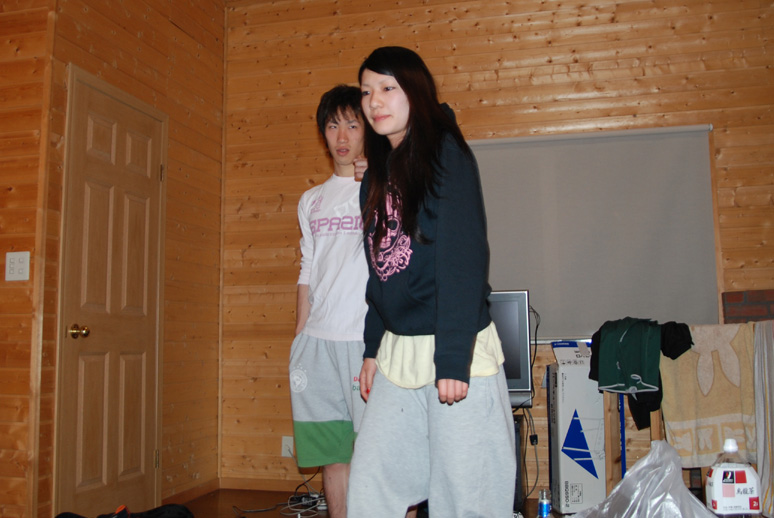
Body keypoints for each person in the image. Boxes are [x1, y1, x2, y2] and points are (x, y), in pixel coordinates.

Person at [348, 47, 517, 517]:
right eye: (366, 91)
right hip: (398, 353)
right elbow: (380, 271)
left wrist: (453, 358)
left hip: (454, 349)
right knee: (370, 485)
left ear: (415, 92)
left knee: (466, 498)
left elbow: (463, 261)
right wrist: (372, 348)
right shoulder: (375, 175)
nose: (374, 101)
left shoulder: (446, 154)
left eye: (388, 88)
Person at [288, 84, 369, 518]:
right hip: (317, 343)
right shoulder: (311, 201)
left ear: (367, 129)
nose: (342, 136)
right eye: (334, 125)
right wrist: (300, 335)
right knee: (334, 455)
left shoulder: (382, 188)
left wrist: (380, 175)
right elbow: (308, 269)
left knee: (381, 452)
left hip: (366, 343)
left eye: (352, 125)